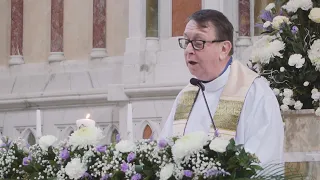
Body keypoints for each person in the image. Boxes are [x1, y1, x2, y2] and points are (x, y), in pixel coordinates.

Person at [159, 9, 284, 165]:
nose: (189, 50)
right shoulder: (185, 96)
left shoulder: (254, 93)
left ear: (224, 49)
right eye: (186, 42)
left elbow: (262, 158)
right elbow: (164, 151)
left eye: (198, 43)